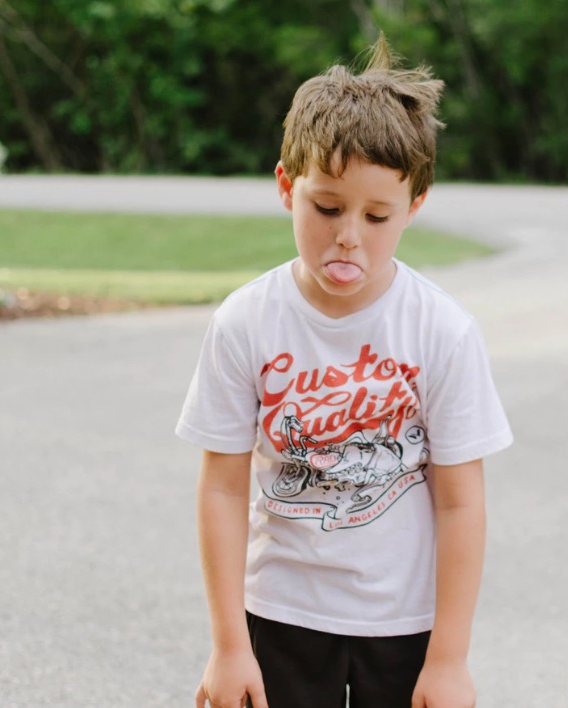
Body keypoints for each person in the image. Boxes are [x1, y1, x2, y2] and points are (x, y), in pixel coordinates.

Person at [176, 34, 513, 708]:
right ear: (285, 187)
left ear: (413, 205)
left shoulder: (440, 331)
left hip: (405, 623)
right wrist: (227, 644)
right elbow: (220, 488)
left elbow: (460, 499)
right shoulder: (245, 321)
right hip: (279, 614)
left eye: (377, 215)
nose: (349, 235)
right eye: (326, 207)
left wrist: (448, 659)